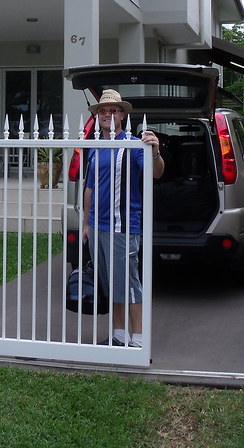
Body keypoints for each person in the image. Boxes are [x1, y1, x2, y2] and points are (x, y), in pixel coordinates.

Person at [81, 88, 164, 348]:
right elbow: (89, 187)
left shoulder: (133, 144)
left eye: (112, 110)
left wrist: (155, 151)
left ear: (122, 115)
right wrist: (85, 222)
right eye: (103, 111)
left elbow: (157, 173)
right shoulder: (96, 146)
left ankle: (139, 339)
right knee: (110, 283)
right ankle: (119, 335)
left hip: (123, 227)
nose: (107, 114)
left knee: (128, 283)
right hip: (97, 226)